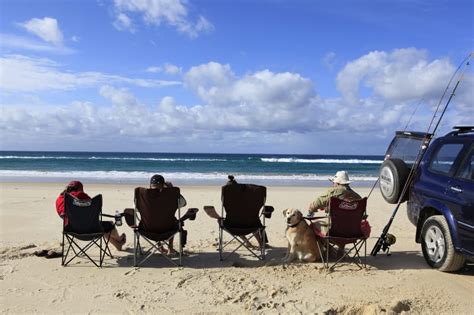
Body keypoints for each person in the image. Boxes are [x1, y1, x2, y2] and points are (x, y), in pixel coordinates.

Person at [55, 180, 126, 251]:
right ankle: (119, 239)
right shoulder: (80, 195)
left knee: (102, 227)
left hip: (71, 230)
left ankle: (118, 245)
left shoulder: (59, 199)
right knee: (108, 225)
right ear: (80, 188)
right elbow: (93, 207)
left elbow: (64, 214)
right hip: (91, 230)